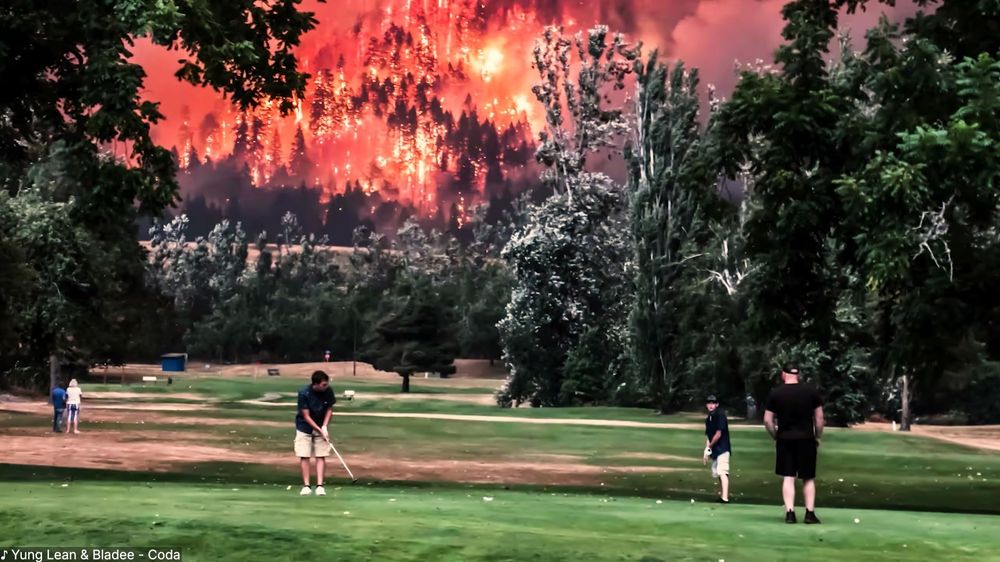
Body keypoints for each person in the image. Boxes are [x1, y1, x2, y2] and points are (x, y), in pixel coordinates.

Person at [764, 364, 825, 524]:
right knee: (808, 477)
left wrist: (775, 435)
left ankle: (790, 513)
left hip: (785, 439)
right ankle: (809, 513)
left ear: (784, 374)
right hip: (806, 439)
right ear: (798, 374)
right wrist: (817, 436)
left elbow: (767, 420)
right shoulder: (811, 392)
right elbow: (819, 419)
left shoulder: (776, 393)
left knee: (788, 476)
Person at [295, 370, 336, 496]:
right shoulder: (304, 393)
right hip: (304, 426)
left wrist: (324, 426)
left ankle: (320, 486)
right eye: (323, 384)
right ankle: (306, 486)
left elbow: (329, 410)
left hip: (320, 424)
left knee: (321, 455)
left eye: (326, 384)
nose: (326, 386)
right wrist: (319, 429)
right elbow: (306, 416)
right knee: (304, 455)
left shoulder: (328, 391)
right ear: (316, 384)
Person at [703, 395, 732, 503]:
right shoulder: (709, 418)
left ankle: (725, 497)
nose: (711, 405)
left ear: (717, 404)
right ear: (706, 405)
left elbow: (718, 434)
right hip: (716, 449)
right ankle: (722, 495)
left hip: (723, 448)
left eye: (713, 403)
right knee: (718, 472)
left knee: (722, 471)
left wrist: (709, 446)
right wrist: (707, 450)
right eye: (709, 403)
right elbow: (709, 436)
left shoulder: (720, 415)